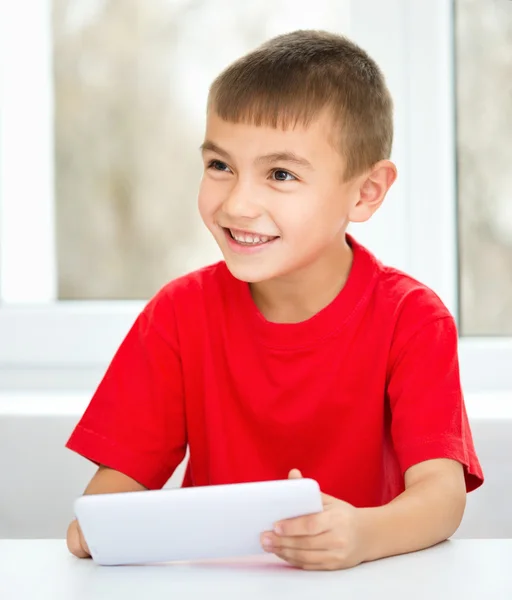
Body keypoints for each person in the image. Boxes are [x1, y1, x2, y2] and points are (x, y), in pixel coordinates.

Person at [65, 29, 483, 571]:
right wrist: (97, 526)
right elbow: (115, 485)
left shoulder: (412, 319)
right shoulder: (177, 315)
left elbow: (440, 497)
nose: (237, 203)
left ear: (365, 192)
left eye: (280, 174)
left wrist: (361, 534)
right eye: (220, 166)